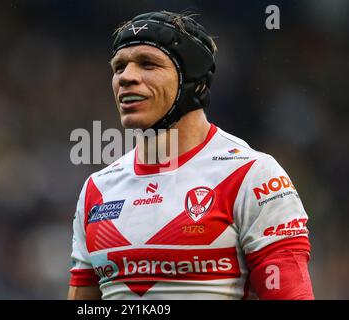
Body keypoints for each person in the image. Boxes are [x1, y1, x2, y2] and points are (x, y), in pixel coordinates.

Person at [68, 11, 314, 300]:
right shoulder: (97, 190)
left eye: (148, 63)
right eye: (119, 67)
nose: (126, 77)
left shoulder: (252, 175)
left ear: (194, 82)